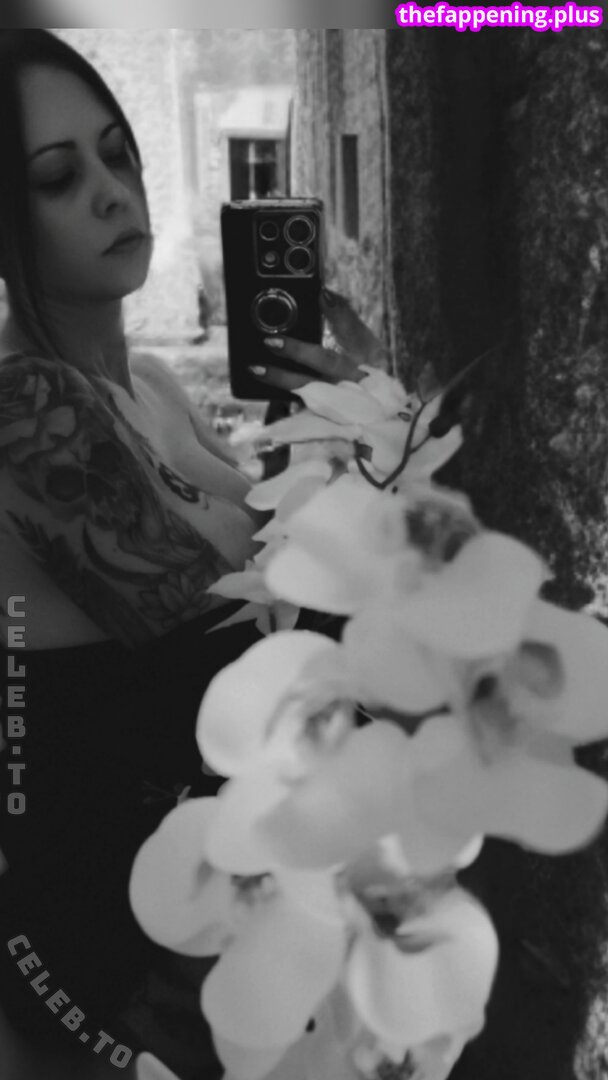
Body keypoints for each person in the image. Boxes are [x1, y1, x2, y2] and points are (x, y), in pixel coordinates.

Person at [0, 30, 380, 1080]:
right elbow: (231, 645)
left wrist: (327, 419)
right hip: (112, 944)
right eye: (58, 177)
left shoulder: (155, 385)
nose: (112, 193)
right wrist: (356, 457)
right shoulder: (27, 412)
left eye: (117, 155)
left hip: (220, 885)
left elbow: (285, 553)